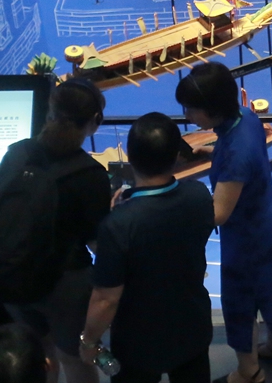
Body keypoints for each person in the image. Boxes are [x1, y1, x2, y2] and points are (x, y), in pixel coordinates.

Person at [176, 63, 272, 383]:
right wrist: (206, 151)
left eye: (192, 109)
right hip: (269, 220)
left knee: (239, 300)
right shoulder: (246, 117)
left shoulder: (237, 154)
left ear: (211, 110)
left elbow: (219, 212)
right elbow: (232, 146)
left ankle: (248, 371)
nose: (187, 116)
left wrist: (177, 208)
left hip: (246, 236)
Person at [78, 113, 215, 383]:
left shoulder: (118, 225)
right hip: (192, 327)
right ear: (177, 154)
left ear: (130, 156)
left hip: (138, 342)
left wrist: (88, 341)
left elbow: (106, 299)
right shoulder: (199, 196)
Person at [1, 80, 109, 383]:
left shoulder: (16, 153)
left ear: (50, 111)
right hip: (64, 285)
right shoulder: (90, 176)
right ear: (94, 122)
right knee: (73, 358)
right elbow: (98, 243)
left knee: (37, 355)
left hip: (12, 275)